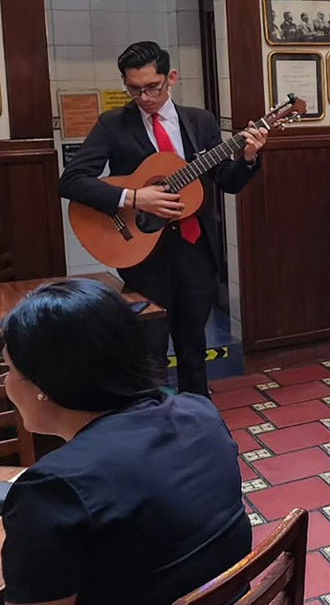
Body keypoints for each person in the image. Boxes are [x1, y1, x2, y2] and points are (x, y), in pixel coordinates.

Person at [0, 278, 250, 604]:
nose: (6, 381)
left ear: (43, 384)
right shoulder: (199, 413)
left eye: (10, 368)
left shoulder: (51, 493)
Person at [58, 41, 266, 396]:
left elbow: (226, 182)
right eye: (133, 88)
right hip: (142, 254)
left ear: (171, 78)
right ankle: (153, 423)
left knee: (193, 346)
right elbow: (71, 181)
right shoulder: (113, 124)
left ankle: (197, 416)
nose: (143, 97)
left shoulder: (200, 122)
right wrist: (135, 197)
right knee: (149, 349)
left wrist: (247, 157)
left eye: (152, 87)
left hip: (195, 249)